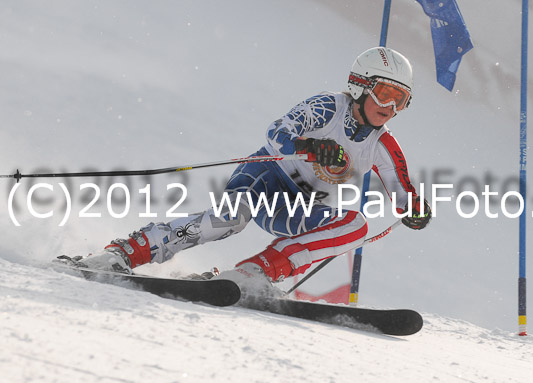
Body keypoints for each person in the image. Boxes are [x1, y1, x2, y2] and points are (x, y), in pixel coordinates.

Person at [62, 47, 431, 296]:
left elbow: (403, 192)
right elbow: (276, 133)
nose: (390, 106)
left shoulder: (384, 145)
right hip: (265, 179)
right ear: (360, 85)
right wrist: (308, 146)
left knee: (356, 224)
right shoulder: (326, 108)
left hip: (297, 207)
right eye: (384, 93)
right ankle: (124, 253)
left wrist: (415, 209)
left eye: (401, 100)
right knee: (229, 220)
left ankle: (254, 273)